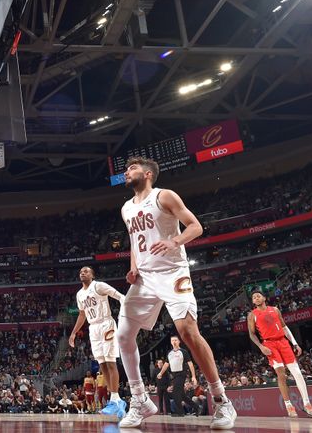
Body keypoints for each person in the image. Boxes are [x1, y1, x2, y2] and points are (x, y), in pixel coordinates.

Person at [115, 156, 236, 429]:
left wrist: (175, 240)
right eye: (125, 169)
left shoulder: (164, 196)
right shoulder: (125, 208)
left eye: (132, 168)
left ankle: (221, 400)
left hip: (172, 272)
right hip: (144, 278)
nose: (126, 172)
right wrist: (133, 268)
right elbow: (135, 243)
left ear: (147, 174)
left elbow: (195, 226)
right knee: (123, 336)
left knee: (188, 332)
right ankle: (140, 400)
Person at [247, 290, 312, 417]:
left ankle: (307, 405)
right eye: (253, 297)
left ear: (264, 298)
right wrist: (261, 346)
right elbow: (252, 333)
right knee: (281, 375)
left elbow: (284, 327)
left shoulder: (275, 310)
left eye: (258, 296)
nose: (255, 298)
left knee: (298, 374)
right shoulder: (252, 315)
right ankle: (289, 406)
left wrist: (294, 343)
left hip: (283, 343)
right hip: (269, 345)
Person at [69, 266, 126, 417]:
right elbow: (82, 315)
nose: (82, 273)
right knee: (102, 364)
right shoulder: (80, 294)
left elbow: (121, 297)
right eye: (80, 271)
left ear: (92, 275)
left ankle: (115, 399)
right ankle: (116, 400)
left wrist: (124, 315)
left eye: (86, 271)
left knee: (111, 362)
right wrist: (73, 333)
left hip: (106, 324)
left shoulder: (99, 286)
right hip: (93, 328)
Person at [158, 335, 200, 416]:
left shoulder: (183, 351)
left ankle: (180, 412)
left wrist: (193, 376)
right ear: (171, 342)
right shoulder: (169, 353)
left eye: (175, 340)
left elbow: (190, 364)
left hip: (181, 374)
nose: (174, 342)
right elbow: (166, 364)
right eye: (172, 340)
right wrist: (160, 373)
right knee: (182, 395)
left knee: (175, 392)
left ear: (179, 341)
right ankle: (196, 407)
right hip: (174, 375)